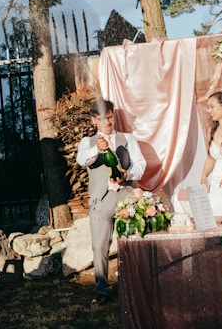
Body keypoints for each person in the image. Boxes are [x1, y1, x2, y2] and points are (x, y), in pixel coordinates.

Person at [76, 98, 146, 305]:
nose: (107, 122)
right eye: (101, 119)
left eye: (109, 117)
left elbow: (141, 164)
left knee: (130, 244)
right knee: (99, 246)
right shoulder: (87, 143)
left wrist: (129, 174)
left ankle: (132, 287)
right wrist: (97, 149)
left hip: (125, 197)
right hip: (100, 200)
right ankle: (103, 290)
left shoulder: (128, 139)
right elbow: (82, 161)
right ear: (93, 121)